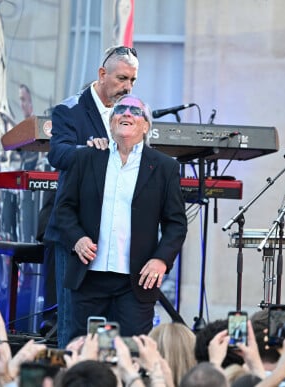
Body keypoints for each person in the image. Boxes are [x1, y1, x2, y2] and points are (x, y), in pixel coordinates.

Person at [53, 94, 187, 340]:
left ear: (145, 126)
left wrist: (161, 260)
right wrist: (77, 238)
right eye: (120, 109)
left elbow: (176, 224)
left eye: (134, 111)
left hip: (135, 282)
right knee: (84, 352)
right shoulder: (86, 158)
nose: (126, 113)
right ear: (111, 123)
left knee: (133, 353)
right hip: (88, 277)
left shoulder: (164, 167)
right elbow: (63, 209)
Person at [45, 45, 140, 348]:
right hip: (79, 233)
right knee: (74, 325)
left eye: (133, 81)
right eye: (122, 78)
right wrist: (87, 150)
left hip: (117, 237)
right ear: (102, 74)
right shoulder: (69, 110)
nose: (127, 87)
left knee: (113, 329)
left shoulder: (131, 115)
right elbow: (57, 154)